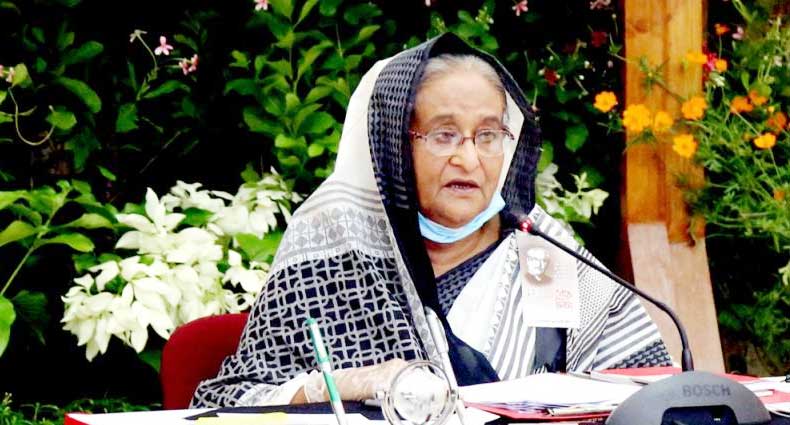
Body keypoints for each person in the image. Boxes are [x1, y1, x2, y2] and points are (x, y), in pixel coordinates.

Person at [191, 33, 672, 408]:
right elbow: (227, 402)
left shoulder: (543, 252)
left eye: (488, 135)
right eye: (444, 135)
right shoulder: (332, 251)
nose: (470, 159)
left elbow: (646, 392)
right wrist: (344, 384)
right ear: (394, 144)